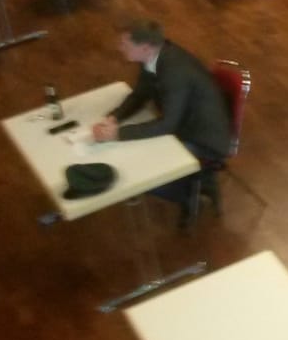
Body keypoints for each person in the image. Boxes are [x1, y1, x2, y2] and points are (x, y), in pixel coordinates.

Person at [95, 20, 234, 226]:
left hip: (204, 139)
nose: (119, 47)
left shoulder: (174, 72)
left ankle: (190, 198)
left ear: (145, 47)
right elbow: (140, 94)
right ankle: (201, 183)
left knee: (141, 175)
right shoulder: (153, 56)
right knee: (137, 155)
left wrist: (118, 134)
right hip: (186, 124)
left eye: (124, 44)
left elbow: (167, 125)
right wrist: (115, 117)